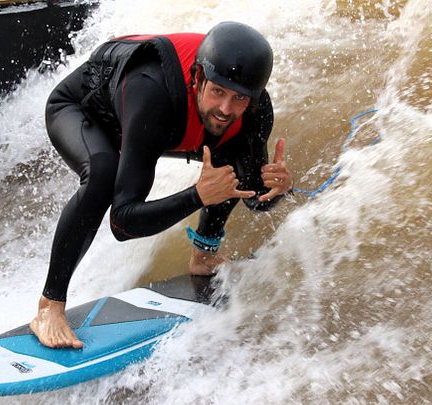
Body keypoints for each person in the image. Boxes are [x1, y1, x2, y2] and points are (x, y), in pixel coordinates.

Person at [31, 22, 293, 348]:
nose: (226, 109)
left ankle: (204, 256)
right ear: (197, 77)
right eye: (217, 92)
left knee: (229, 173)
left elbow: (253, 196)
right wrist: (197, 195)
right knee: (102, 174)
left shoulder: (255, 112)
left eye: (239, 98)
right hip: (85, 112)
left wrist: (277, 188)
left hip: (147, 123)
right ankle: (49, 306)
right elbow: (122, 222)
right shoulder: (152, 91)